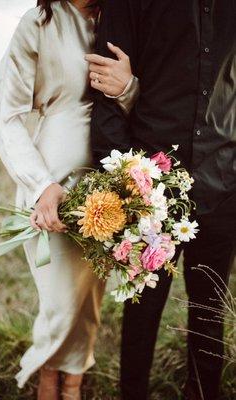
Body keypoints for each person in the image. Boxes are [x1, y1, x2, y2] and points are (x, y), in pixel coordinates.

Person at [88, 1, 236, 399]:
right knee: (141, 313)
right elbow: (104, 96)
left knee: (209, 315)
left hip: (223, 183)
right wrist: (121, 186)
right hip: (148, 189)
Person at [0, 1, 134, 399]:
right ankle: (46, 376)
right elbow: (8, 113)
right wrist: (40, 185)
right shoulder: (38, 22)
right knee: (60, 297)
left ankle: (72, 380)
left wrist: (129, 89)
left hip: (111, 179)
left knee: (89, 293)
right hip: (52, 178)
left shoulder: (126, 18)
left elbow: (154, 98)